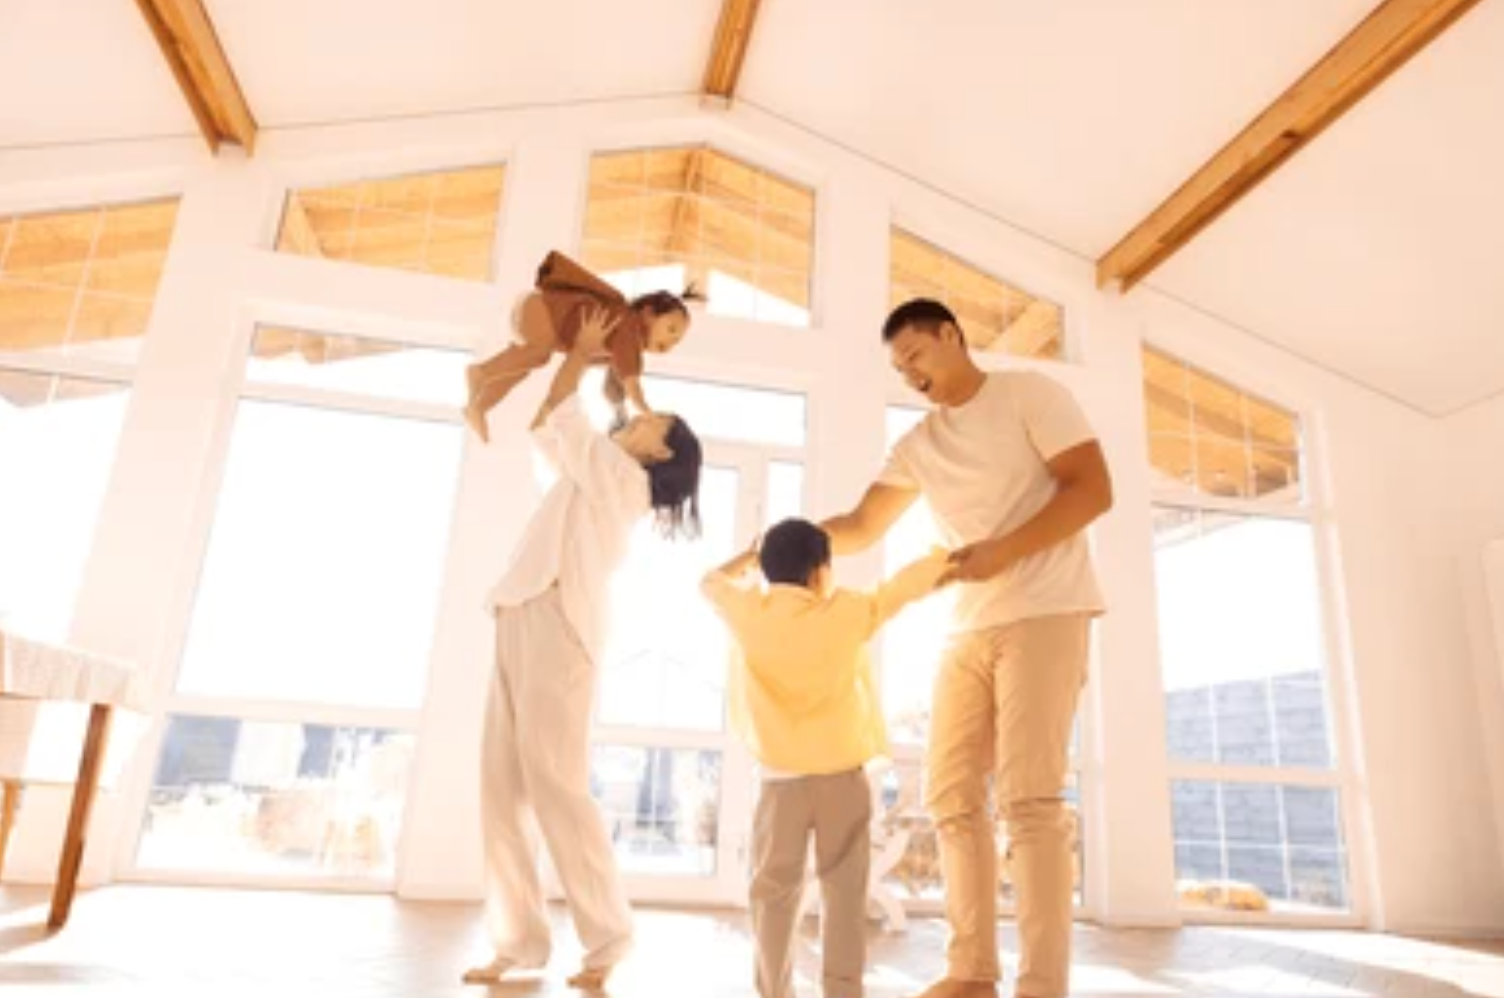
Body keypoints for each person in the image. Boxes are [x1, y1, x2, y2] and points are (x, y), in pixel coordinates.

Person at [819, 300, 1113, 998]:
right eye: (899, 368)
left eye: (916, 355)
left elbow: (1094, 489)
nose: (910, 374)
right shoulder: (920, 442)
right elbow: (862, 524)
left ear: (952, 335)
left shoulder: (1029, 395)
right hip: (966, 623)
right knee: (950, 796)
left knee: (1029, 799)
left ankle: (1042, 985)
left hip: (1046, 608)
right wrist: (785, 541)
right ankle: (972, 971)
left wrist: (1003, 551)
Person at [465, 304, 704, 991]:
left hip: (560, 627)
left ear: (658, 453)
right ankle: (516, 942)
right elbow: (548, 424)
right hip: (519, 610)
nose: (637, 418)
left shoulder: (622, 480)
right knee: (501, 787)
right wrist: (585, 358)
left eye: (652, 423)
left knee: (557, 788)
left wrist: (585, 351)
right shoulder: (591, 468)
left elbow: (563, 409)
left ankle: (608, 941)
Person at [701, 518, 946, 998]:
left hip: (779, 783)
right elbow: (896, 591)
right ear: (819, 572)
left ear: (769, 568)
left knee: (773, 896)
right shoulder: (846, 613)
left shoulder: (749, 612)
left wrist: (748, 559)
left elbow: (709, 582)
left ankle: (775, 992)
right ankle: (843, 991)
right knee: (845, 893)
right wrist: (941, 561)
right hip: (842, 780)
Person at [464, 250, 701, 442]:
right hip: (544, 309)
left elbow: (601, 381)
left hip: (538, 315)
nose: (670, 342)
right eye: (671, 329)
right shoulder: (629, 327)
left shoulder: (619, 342)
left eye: (677, 340)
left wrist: (617, 413)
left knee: (520, 368)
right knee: (540, 355)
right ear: (648, 314)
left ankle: (479, 407)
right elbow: (632, 384)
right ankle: (479, 372)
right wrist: (648, 413)